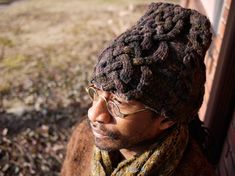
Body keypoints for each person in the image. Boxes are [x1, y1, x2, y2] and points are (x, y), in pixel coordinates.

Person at [61, 2, 215, 176]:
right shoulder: (84, 137)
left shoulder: (196, 171)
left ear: (166, 119)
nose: (93, 114)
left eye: (117, 103)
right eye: (96, 92)